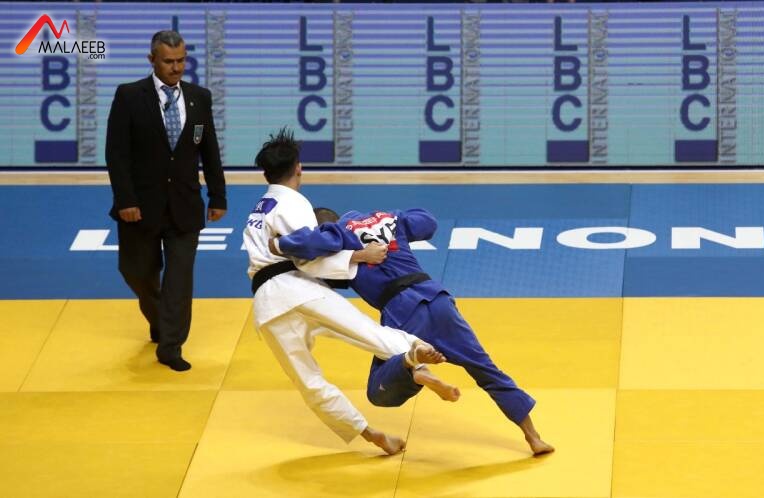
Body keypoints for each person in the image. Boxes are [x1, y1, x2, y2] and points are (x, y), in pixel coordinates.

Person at [271, 207, 555, 456]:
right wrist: (394, 219)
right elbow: (428, 222)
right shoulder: (388, 218)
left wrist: (276, 242)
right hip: (437, 299)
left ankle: (413, 366)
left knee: (378, 391)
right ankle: (533, 437)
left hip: (402, 313)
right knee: (485, 368)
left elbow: (307, 248)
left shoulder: (335, 234)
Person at [243, 128, 455, 455]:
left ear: (265, 174)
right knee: (369, 334)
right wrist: (358, 256)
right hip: (299, 288)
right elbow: (308, 257)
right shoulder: (294, 202)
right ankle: (418, 359)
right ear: (298, 167)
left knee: (310, 383)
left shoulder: (257, 211)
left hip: (267, 306)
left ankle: (372, 436)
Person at [105, 30, 227, 372]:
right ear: (152, 60)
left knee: (179, 280)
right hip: (139, 208)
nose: (176, 68)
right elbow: (116, 153)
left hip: (185, 205)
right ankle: (159, 319)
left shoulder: (199, 97)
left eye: (181, 60)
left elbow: (209, 150)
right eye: (169, 61)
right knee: (136, 273)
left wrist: (217, 195)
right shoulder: (129, 96)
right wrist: (125, 199)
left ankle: (171, 346)